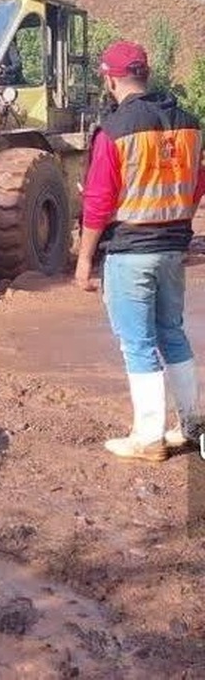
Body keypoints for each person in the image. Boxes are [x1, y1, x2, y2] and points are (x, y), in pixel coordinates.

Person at [74, 40, 205, 462]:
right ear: (145, 74)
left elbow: (98, 201)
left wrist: (83, 261)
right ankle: (189, 426)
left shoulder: (115, 130)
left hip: (131, 250)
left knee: (138, 342)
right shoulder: (189, 123)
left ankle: (147, 437)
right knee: (172, 332)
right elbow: (198, 182)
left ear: (110, 79)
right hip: (172, 248)